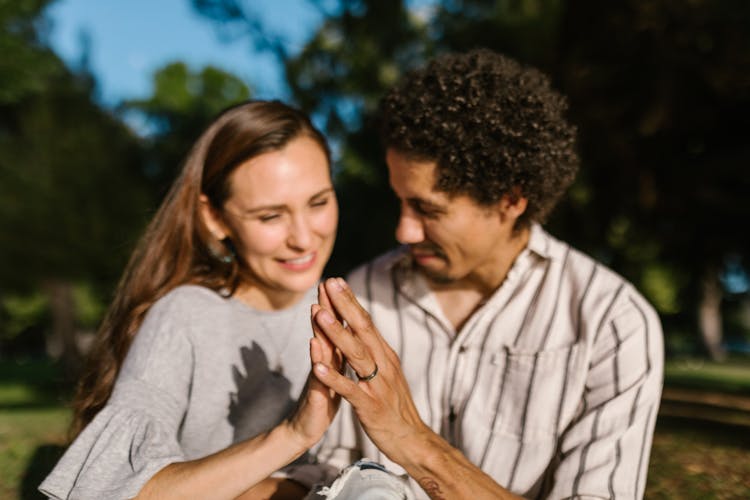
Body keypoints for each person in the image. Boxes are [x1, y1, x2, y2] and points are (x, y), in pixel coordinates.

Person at [296, 49, 664, 499]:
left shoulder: (612, 324)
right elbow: (328, 472)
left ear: (510, 200)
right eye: (401, 201)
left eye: (428, 209)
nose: (403, 229)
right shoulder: (366, 295)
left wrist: (416, 443)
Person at [39, 100, 343, 500]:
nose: (304, 238)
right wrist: (289, 437)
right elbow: (106, 492)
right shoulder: (186, 315)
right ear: (215, 218)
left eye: (318, 202)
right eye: (271, 216)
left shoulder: (349, 307)